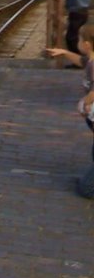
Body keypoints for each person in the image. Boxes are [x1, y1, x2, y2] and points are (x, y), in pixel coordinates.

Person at [47, 25, 94, 192]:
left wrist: (85, 102)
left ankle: (88, 187)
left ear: (87, 44)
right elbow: (80, 61)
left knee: (86, 189)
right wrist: (64, 52)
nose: (77, 42)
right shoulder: (89, 60)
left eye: (80, 40)